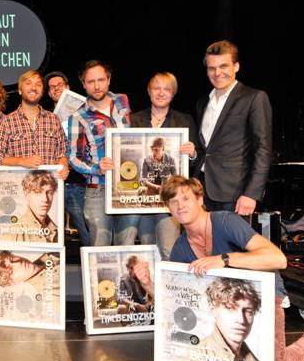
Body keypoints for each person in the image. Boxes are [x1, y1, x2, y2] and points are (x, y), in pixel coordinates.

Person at [134, 176, 304, 361]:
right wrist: (147, 283)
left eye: (186, 198)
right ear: (168, 208)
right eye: (173, 201)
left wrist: (224, 259)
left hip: (264, 294)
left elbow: (278, 259)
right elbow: (173, 298)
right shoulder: (180, 248)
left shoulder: (225, 221)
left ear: (200, 200)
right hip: (226, 306)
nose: (180, 206)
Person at [193, 40, 272, 216]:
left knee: (231, 236)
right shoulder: (202, 103)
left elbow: (263, 149)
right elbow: (206, 148)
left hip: (234, 194)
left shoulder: (254, 98)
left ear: (236, 66)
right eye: (212, 68)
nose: (217, 73)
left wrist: (251, 194)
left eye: (223, 66)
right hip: (201, 191)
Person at [68, 60, 139, 246]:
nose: (97, 86)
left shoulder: (122, 100)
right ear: (83, 84)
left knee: (127, 244)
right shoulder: (78, 116)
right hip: (98, 189)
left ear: (108, 79)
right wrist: (96, 168)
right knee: (100, 248)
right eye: (91, 82)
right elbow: (73, 157)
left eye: (101, 80)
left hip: (127, 186)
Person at [132, 72, 198, 259]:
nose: (161, 93)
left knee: (168, 249)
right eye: (156, 88)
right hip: (144, 201)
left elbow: (193, 161)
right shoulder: (134, 119)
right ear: (149, 91)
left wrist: (192, 153)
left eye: (166, 89)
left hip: (171, 200)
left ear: (173, 93)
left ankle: (170, 279)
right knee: (147, 248)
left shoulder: (185, 120)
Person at [0, 70, 69, 182]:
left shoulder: (53, 119)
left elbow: (63, 152)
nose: (34, 88)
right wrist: (22, 161)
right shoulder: (6, 122)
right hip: (18, 188)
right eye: (28, 83)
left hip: (49, 188)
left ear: (42, 91)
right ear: (20, 90)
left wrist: (64, 164)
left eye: (38, 84)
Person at [44, 70, 90, 247]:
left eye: (59, 85)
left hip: (77, 182)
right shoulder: (45, 117)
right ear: (49, 93)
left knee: (86, 231)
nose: (56, 89)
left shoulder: (84, 113)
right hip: (52, 183)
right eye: (52, 87)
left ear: (68, 88)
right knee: (49, 233)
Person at [190, 278, 262, 361]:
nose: (241, 320)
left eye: (248, 311)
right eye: (230, 308)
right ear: (213, 309)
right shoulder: (195, 356)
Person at [0, 250, 61, 318]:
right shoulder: (50, 293)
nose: (18, 263)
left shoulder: (49, 255)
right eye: (11, 270)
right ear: (13, 282)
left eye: (12, 259)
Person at [2, 171, 58, 243]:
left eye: (49, 192)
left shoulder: (57, 231)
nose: (45, 199)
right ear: (26, 194)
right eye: (38, 192)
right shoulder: (13, 233)